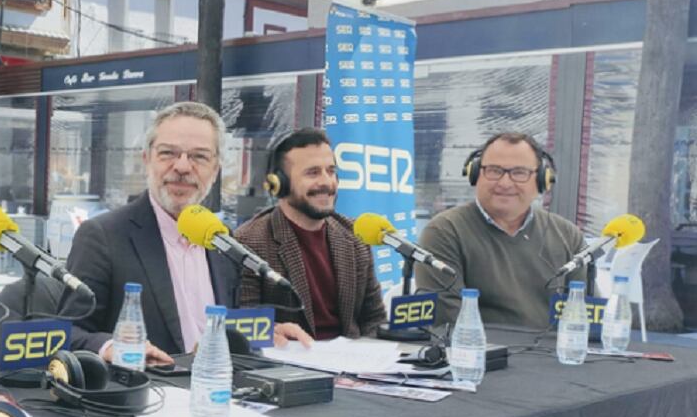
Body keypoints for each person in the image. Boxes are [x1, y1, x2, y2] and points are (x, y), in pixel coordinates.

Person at [65, 102, 307, 362]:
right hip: (151, 391)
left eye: (199, 156)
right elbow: (67, 333)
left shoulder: (222, 239)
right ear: (147, 160)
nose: (182, 167)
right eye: (168, 153)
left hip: (218, 387)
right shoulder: (103, 235)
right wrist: (111, 347)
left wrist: (264, 333)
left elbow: (225, 327)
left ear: (215, 170)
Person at [416, 131, 586, 328]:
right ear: (475, 174)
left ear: (542, 180)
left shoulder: (568, 236)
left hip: (554, 356)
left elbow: (586, 318)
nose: (505, 183)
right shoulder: (444, 232)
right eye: (494, 171)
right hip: (476, 355)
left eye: (519, 173)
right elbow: (447, 323)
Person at [232, 128, 385, 339]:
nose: (327, 182)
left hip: (355, 366)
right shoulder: (248, 242)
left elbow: (374, 319)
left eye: (331, 171)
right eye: (313, 172)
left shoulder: (354, 235)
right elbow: (245, 327)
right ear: (279, 185)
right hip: (289, 367)